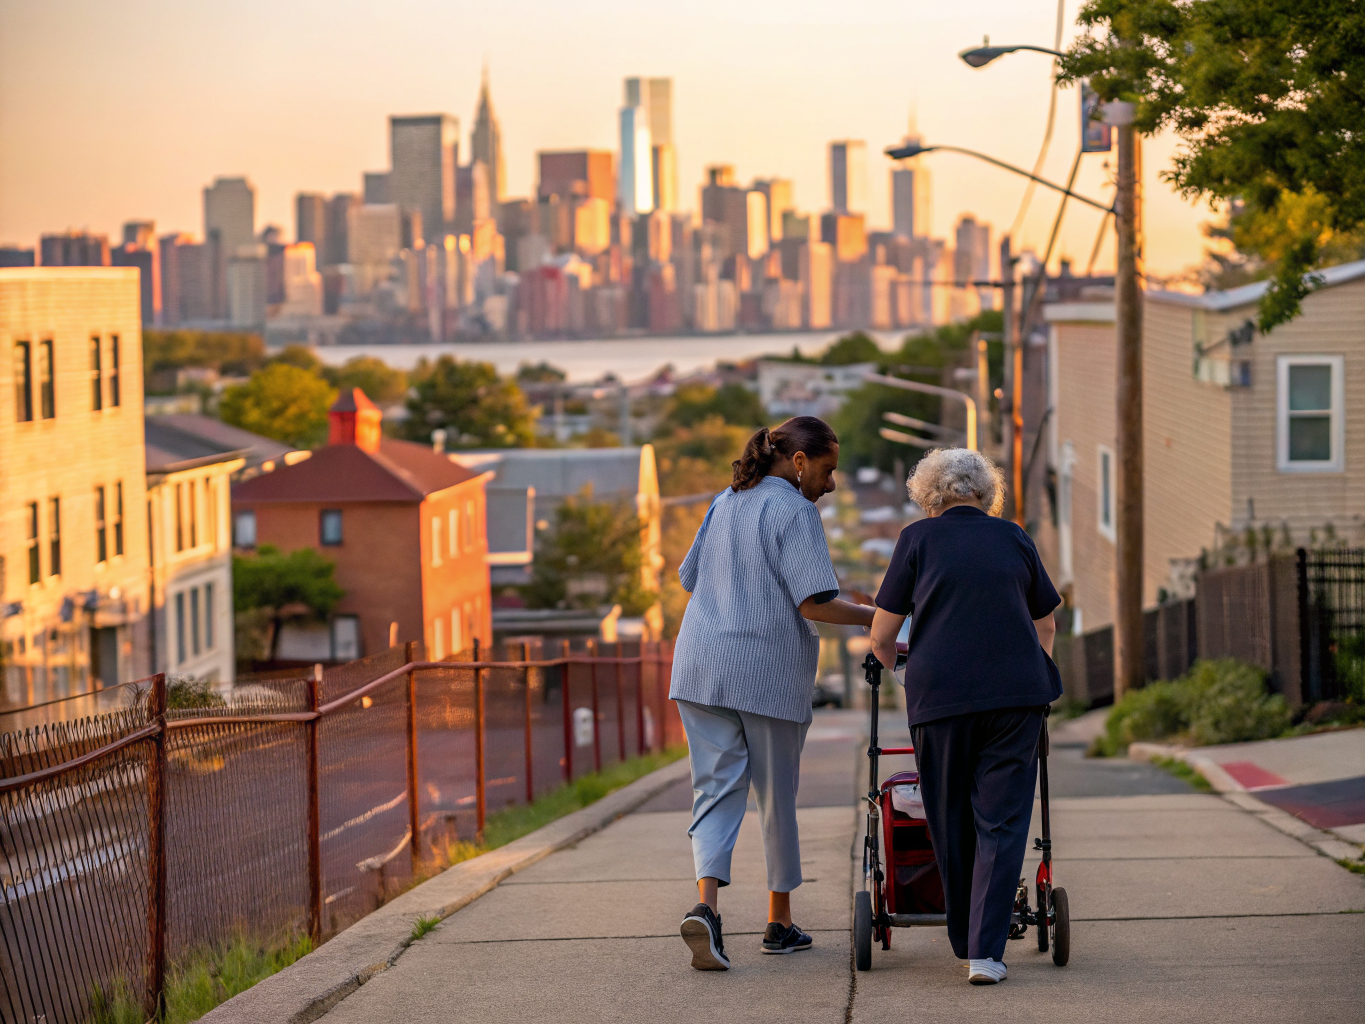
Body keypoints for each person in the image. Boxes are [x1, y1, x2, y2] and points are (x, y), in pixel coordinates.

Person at [670, 416, 876, 971]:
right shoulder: (795, 511)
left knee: (714, 790)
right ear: (800, 462)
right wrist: (875, 616)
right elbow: (814, 603)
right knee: (776, 797)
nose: (831, 484)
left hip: (699, 666)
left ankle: (706, 909)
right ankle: (778, 923)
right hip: (765, 671)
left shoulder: (724, 501)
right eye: (827, 470)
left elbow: (689, 578)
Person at [869, 448, 1061, 986]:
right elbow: (1045, 624)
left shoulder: (916, 540)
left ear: (929, 495)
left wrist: (906, 673)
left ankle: (964, 940)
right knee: (1001, 822)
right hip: (1016, 699)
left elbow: (882, 636)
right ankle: (984, 952)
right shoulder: (1014, 537)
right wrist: (1035, 668)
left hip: (940, 700)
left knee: (950, 820)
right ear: (985, 492)